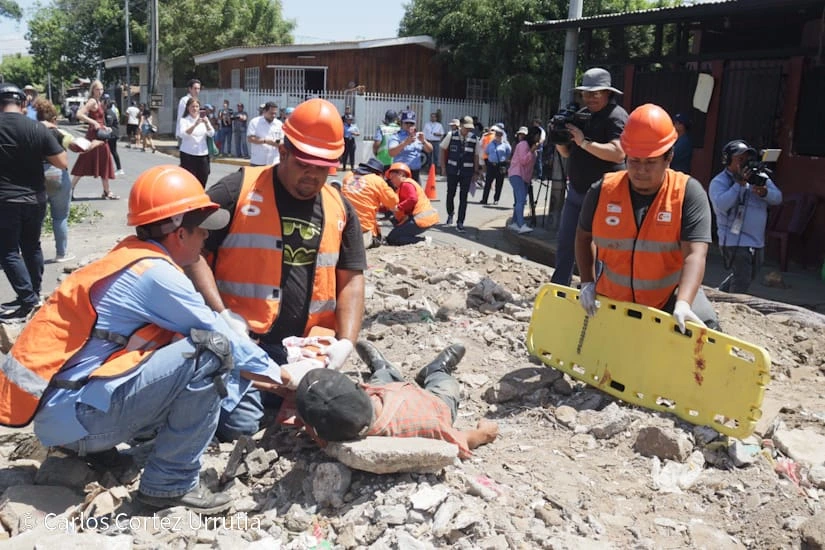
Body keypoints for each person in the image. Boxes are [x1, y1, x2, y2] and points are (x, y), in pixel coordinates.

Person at [0, 165, 323, 514]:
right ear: (178, 233)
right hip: (79, 420)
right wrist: (285, 377)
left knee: (196, 357)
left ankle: (94, 451)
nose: (205, 241)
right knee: (210, 351)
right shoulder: (157, 276)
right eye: (201, 232)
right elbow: (220, 335)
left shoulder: (132, 256)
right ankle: (169, 483)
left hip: (64, 414)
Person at [183, 98, 367, 441]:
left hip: (307, 349)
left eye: (323, 168)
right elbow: (189, 252)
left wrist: (345, 342)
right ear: (283, 151)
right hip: (243, 341)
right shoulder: (238, 190)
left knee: (346, 417)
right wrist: (221, 314)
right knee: (241, 426)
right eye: (304, 164)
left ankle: (279, 396)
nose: (312, 176)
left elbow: (352, 278)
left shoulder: (339, 207)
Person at [575, 103, 719, 333]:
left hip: (668, 297)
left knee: (705, 324)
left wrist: (683, 302)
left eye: (650, 162)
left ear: (669, 157)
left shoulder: (687, 193)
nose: (641, 171)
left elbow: (695, 253)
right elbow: (583, 238)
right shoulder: (602, 191)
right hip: (615, 299)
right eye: (634, 161)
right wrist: (587, 282)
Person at [296, 341, 499, 459]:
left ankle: (384, 368)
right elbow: (462, 441)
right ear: (358, 388)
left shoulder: (334, 428)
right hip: (434, 403)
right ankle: (437, 370)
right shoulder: (428, 423)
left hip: (385, 388)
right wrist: (485, 433)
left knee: (381, 377)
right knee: (447, 386)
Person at [551, 68, 628, 286]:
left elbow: (618, 152)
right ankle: (559, 287)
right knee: (566, 242)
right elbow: (567, 152)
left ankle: (599, 289)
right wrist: (560, 137)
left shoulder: (616, 116)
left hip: (606, 193)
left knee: (599, 245)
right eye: (586, 93)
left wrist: (584, 142)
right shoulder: (583, 114)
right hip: (577, 189)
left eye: (595, 93)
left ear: (607, 93)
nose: (590, 98)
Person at [0, 84, 67, 320]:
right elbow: (62, 162)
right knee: (31, 246)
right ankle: (32, 295)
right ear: (24, 104)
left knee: (8, 251)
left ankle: (28, 299)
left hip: (5, 199)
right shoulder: (37, 129)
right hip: (35, 199)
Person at [709, 140, 782, 294]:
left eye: (747, 159)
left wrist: (764, 193)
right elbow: (722, 205)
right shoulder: (719, 181)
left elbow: (778, 198)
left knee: (746, 275)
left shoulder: (759, 177)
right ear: (728, 161)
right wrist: (739, 185)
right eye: (740, 159)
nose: (745, 163)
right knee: (742, 278)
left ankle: (718, 295)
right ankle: (731, 307)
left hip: (756, 241)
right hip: (733, 240)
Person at [34, 97, 76, 263]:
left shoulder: (33, 130)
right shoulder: (60, 133)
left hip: (38, 175)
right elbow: (76, 146)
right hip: (57, 174)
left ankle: (31, 251)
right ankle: (61, 254)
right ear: (54, 118)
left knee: (37, 217)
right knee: (60, 217)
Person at [70, 80, 117, 200]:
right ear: (93, 90)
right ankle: (70, 189)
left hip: (100, 136)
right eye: (98, 89)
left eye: (101, 89)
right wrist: (94, 122)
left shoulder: (99, 102)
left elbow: (100, 119)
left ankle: (107, 191)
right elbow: (79, 114)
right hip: (94, 136)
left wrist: (104, 126)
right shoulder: (92, 101)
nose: (100, 91)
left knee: (104, 161)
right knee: (84, 162)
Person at [341, 158, 399, 249]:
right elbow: (394, 201)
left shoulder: (348, 176)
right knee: (375, 238)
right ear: (379, 173)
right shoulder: (377, 180)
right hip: (363, 228)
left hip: (343, 225)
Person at [440, 116, 481, 233]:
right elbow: (442, 149)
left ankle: (460, 222)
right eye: (466, 128)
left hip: (467, 172)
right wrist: (443, 167)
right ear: (461, 125)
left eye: (470, 128)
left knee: (464, 197)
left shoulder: (474, 139)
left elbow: (476, 156)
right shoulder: (451, 135)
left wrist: (476, 172)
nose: (468, 130)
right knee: (450, 193)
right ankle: (450, 213)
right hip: (452, 170)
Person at [385, 162, 438, 246]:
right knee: (393, 237)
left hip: (421, 219)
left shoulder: (406, 184)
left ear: (401, 174)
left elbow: (412, 199)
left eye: (393, 177)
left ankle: (423, 241)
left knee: (392, 238)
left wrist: (398, 207)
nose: (391, 181)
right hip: (421, 218)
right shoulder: (403, 186)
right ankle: (416, 239)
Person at [507, 126, 540, 234]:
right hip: (517, 174)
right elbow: (523, 161)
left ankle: (514, 223)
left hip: (525, 177)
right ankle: (521, 225)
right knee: (520, 200)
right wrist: (531, 151)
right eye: (537, 136)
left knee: (519, 201)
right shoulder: (523, 145)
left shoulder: (531, 147)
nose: (538, 139)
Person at [177, 98, 214, 188]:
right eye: (192, 106)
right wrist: (195, 125)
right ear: (188, 108)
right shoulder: (184, 120)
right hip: (188, 154)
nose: (195, 109)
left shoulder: (204, 119)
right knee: (188, 180)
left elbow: (211, 133)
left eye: (197, 106)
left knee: (203, 177)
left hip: (202, 153)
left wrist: (206, 124)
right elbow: (183, 134)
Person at [388, 110, 432, 183]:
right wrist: (405, 143)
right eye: (406, 123)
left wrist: (424, 141)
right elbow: (391, 153)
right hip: (401, 174)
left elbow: (429, 150)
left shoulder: (418, 135)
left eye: (411, 123)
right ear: (402, 124)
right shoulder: (396, 136)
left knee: (417, 194)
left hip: (415, 173)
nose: (409, 125)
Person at [481, 126, 511, 206]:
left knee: (499, 183)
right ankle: (484, 199)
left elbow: (508, 153)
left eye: (500, 135)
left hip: (501, 165)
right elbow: (486, 152)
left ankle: (496, 199)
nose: (498, 136)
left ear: (502, 136)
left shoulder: (505, 145)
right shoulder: (491, 144)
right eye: (497, 135)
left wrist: (504, 160)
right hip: (491, 165)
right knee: (488, 182)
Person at [247, 101, 283, 167]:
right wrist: (266, 141)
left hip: (274, 161)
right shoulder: (255, 122)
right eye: (271, 113)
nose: (274, 115)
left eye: (275, 113)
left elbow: (281, 140)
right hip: (258, 161)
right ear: (264, 111)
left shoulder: (279, 124)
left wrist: (275, 142)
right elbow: (250, 139)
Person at [102, 94, 124, 176]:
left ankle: (119, 168)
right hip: (110, 134)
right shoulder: (106, 112)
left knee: (113, 151)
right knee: (109, 151)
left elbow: (108, 124)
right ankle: (110, 168)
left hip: (112, 135)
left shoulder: (109, 113)